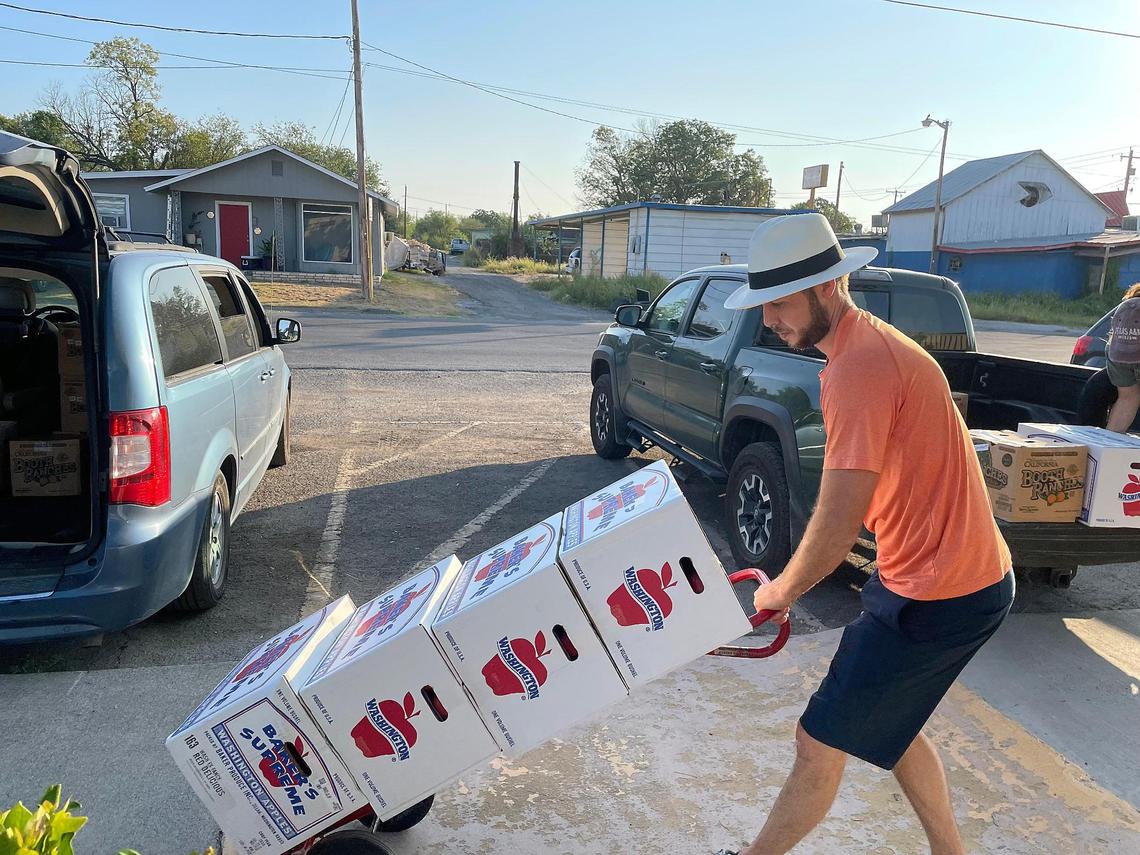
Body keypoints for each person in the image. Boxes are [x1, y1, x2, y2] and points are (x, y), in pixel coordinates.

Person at [715, 213, 1014, 855]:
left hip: (943, 593)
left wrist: (783, 590)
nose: (768, 320)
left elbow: (838, 516)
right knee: (892, 726)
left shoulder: (862, 367)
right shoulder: (858, 351)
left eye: (779, 304)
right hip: (926, 576)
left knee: (818, 739)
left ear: (827, 288)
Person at [1105, 283, 1140, 433]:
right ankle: (1109, 447)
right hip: (1115, 357)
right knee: (1127, 397)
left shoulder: (1127, 307)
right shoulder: (1114, 355)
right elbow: (1127, 398)